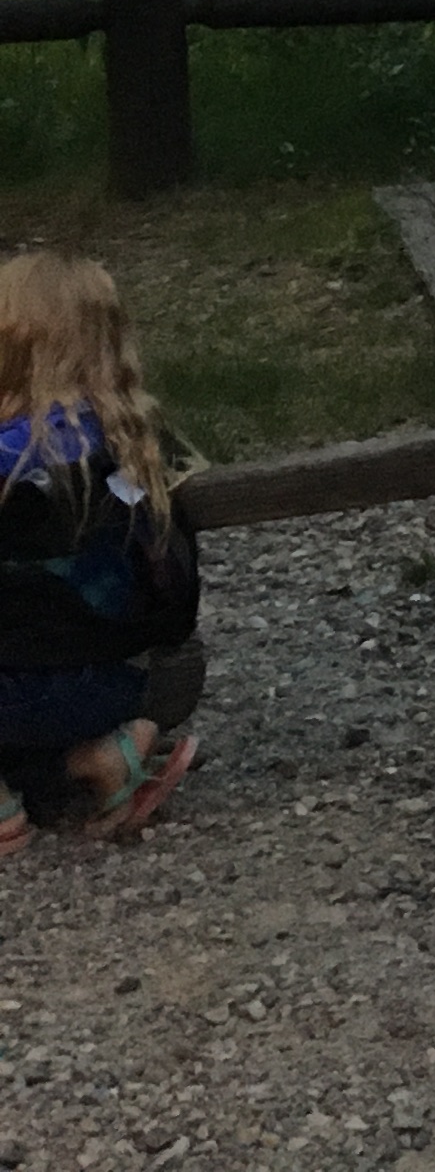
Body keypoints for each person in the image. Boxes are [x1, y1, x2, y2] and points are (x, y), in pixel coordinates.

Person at [0, 251, 201, 850]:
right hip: (127, 675)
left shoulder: (10, 455)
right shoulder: (141, 439)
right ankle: (103, 756)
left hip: (24, 684)